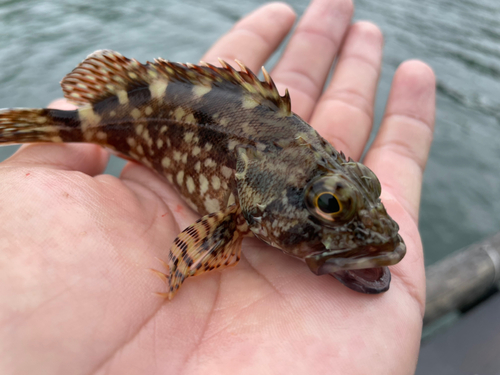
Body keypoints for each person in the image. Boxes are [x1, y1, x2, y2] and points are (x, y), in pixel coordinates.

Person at [0, 0, 435, 373]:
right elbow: (197, 248)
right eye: (328, 204)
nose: (335, 211)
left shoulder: (286, 160)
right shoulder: (251, 195)